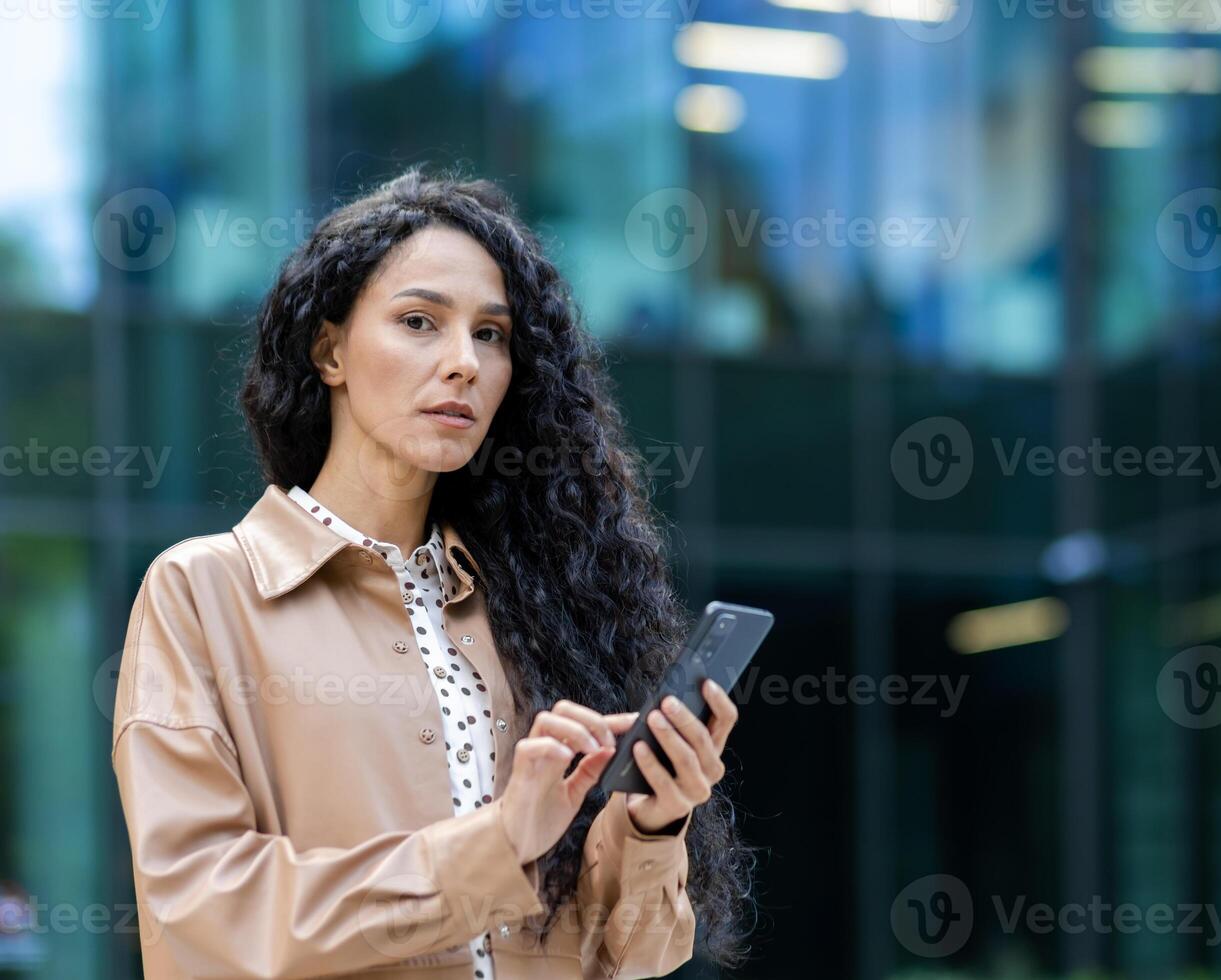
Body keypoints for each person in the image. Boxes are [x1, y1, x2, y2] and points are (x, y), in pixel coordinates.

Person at [110, 168, 757, 978]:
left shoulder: (530, 603)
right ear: (330, 349)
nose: (464, 363)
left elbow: (636, 956)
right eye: (419, 321)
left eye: (491, 335)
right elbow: (207, 917)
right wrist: (499, 842)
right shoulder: (204, 593)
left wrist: (654, 823)